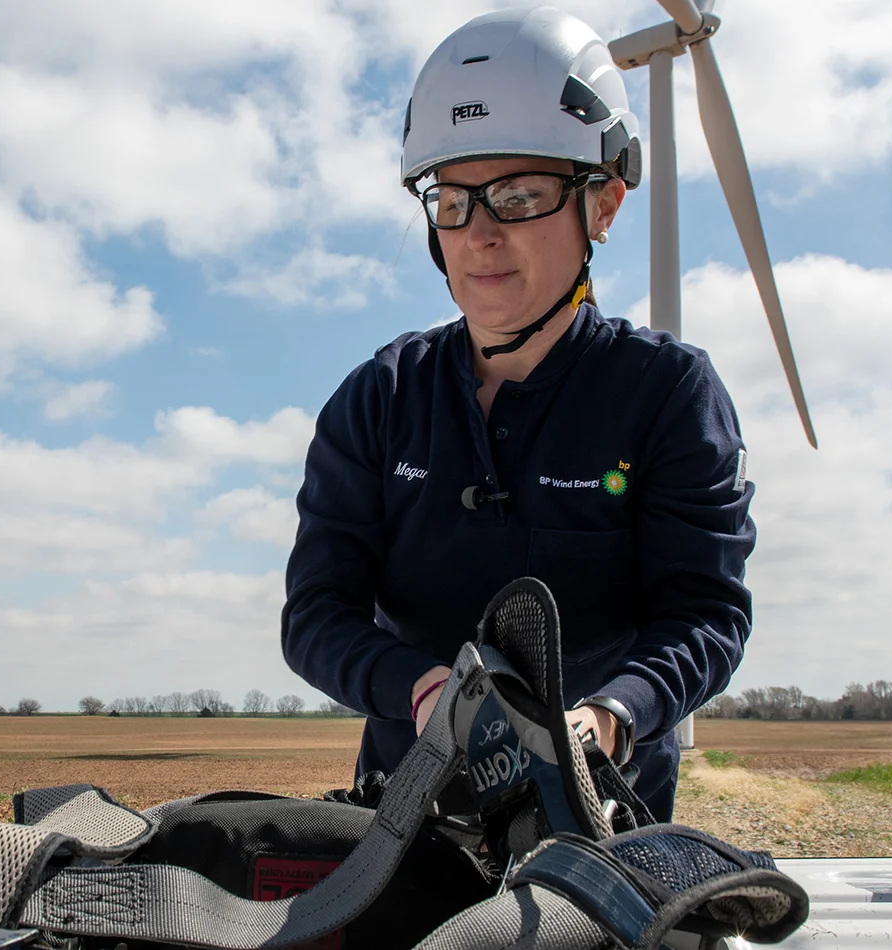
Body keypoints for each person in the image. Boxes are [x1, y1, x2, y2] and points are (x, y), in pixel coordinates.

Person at [281, 7, 754, 822]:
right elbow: (317, 616)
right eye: (453, 200)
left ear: (603, 205)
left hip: (604, 834)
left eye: (518, 195)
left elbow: (703, 614)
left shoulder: (669, 394)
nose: (479, 234)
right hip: (404, 825)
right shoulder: (379, 398)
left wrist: (609, 718)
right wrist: (423, 693)